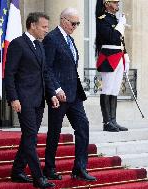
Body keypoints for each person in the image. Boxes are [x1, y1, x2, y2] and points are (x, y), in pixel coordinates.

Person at [4, 12, 59, 188]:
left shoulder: (40, 46)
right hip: (24, 99)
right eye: (43, 27)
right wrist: (13, 98)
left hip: (38, 100)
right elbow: (9, 74)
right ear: (32, 25)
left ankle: (17, 170)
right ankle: (38, 177)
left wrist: (51, 94)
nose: (46, 30)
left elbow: (44, 74)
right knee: (30, 137)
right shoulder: (17, 44)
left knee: (30, 137)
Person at [42, 8, 96, 182]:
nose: (75, 26)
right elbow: (47, 68)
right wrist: (55, 90)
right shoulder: (51, 38)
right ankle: (49, 168)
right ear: (64, 20)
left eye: (78, 24)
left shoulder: (70, 40)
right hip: (60, 95)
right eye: (73, 23)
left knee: (83, 127)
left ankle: (80, 168)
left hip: (74, 95)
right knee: (55, 132)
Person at [95, 0, 130, 132]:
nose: (117, 5)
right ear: (106, 3)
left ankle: (113, 120)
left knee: (115, 90)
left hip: (118, 56)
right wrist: (121, 24)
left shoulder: (114, 19)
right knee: (107, 89)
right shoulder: (102, 19)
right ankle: (107, 122)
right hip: (109, 57)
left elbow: (121, 41)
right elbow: (113, 37)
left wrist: (125, 55)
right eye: (115, 2)